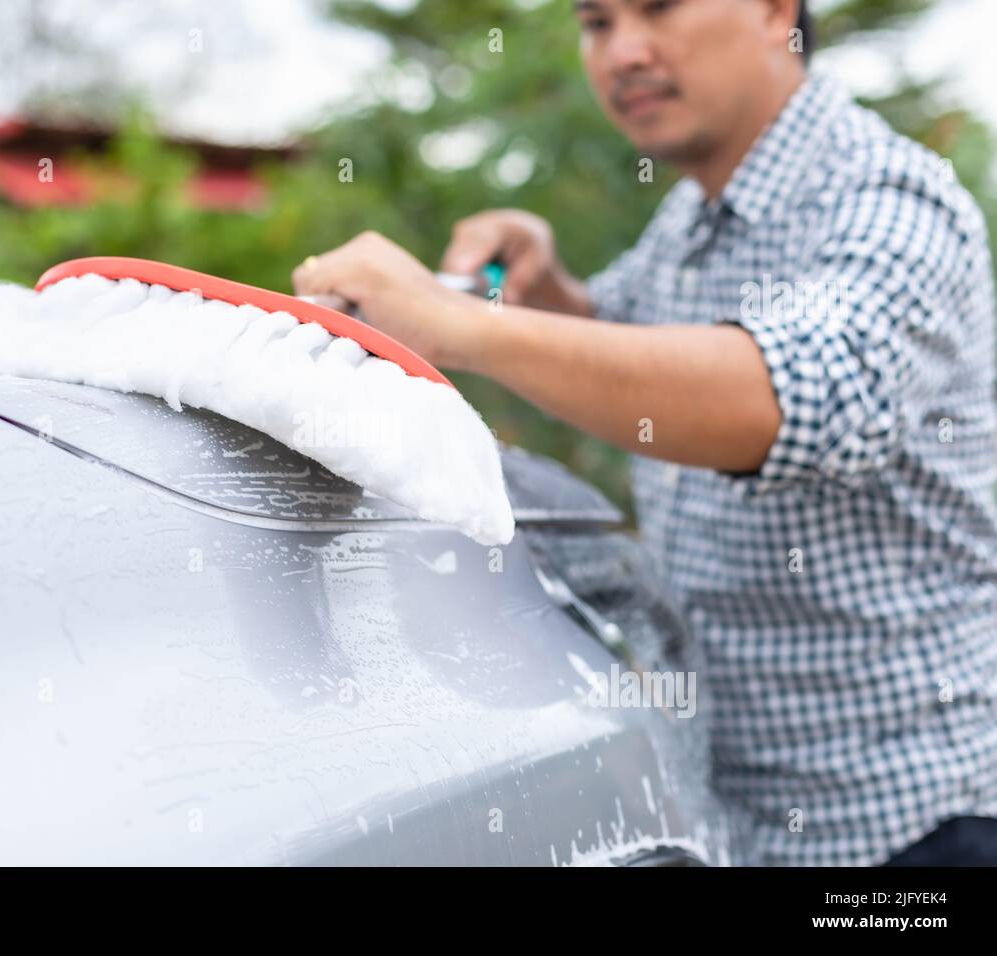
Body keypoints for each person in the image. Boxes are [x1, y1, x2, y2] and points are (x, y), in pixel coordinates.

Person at [291, 0, 997, 866]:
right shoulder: (693, 220)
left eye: (658, 8)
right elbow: (626, 345)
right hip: (737, 817)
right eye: (596, 22)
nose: (624, 52)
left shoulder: (892, 199)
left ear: (777, 10)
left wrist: (457, 324)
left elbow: (788, 395)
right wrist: (543, 287)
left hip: (910, 830)